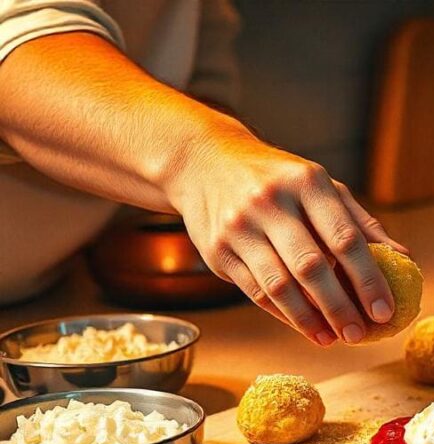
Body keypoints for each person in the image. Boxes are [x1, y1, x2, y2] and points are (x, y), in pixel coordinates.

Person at [0, 0, 406, 347]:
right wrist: (203, 156)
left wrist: (254, 197)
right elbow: (16, 49)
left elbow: (194, 72)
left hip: (57, 296)